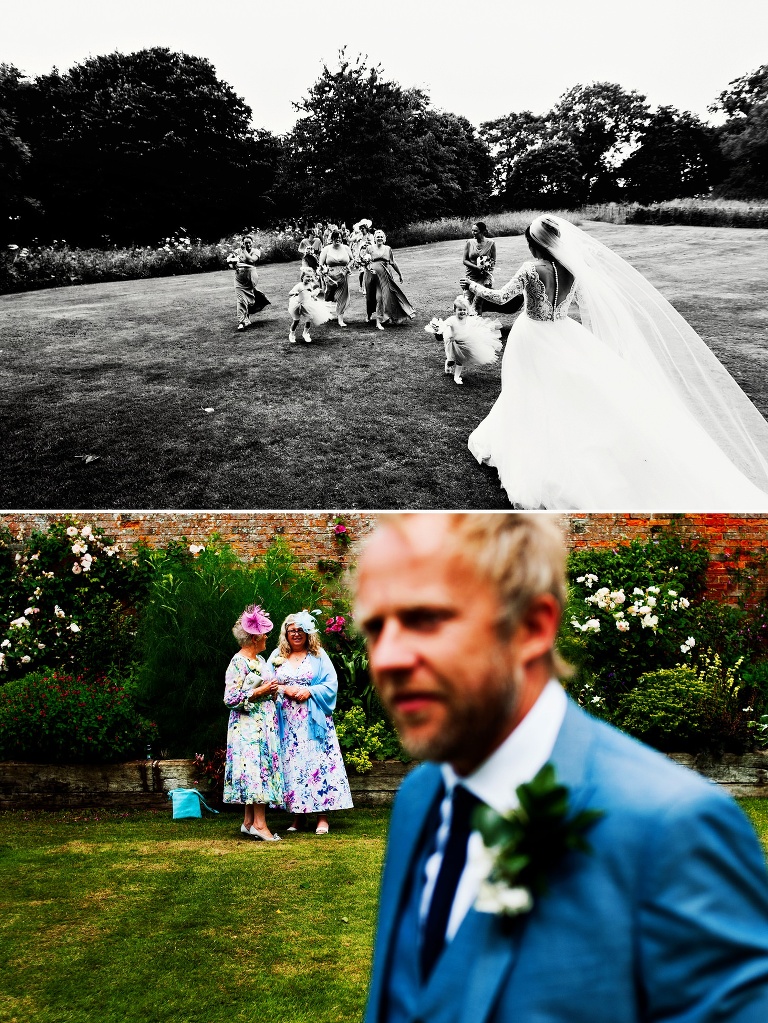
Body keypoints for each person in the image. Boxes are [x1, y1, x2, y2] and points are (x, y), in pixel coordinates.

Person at [355, 512, 768, 1023]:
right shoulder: (419, 797)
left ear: (532, 627)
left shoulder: (672, 827)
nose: (387, 658)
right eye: (375, 627)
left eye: (426, 618)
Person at [461, 214, 768, 510]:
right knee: (563, 394)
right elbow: (586, 302)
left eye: (530, 243)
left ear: (536, 244)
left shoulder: (531, 269)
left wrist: (472, 286)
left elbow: (501, 298)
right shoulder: (573, 269)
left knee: (527, 389)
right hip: (565, 333)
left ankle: (534, 450)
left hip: (533, 336)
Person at [268, 611, 353, 834]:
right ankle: (298, 815)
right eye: (292, 630)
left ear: (307, 633)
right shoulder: (277, 655)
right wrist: (284, 689)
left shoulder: (318, 655)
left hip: (313, 720)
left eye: (300, 630)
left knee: (317, 764)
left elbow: (331, 684)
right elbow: (267, 683)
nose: (296, 634)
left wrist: (310, 691)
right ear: (285, 633)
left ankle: (322, 817)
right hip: (287, 722)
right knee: (294, 766)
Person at [223, 604, 283, 841]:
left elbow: (265, 690)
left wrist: (272, 690)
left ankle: (248, 822)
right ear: (254, 638)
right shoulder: (238, 662)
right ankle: (260, 824)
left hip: (263, 724)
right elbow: (230, 699)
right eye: (264, 634)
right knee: (256, 770)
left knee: (259, 768)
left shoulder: (260, 659)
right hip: (248, 728)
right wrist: (260, 691)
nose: (267, 637)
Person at [425, 295, 502, 386]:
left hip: (465, 343)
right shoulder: (452, 320)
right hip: (453, 343)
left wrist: (486, 327)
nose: (462, 312)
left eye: (464, 310)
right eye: (460, 310)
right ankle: (448, 364)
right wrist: (439, 329)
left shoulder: (469, 320)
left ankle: (456, 377)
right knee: (451, 360)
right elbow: (445, 325)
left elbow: (477, 324)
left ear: (467, 311)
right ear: (455, 310)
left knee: (460, 361)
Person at [366, 229, 415, 331]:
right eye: (377, 236)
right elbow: (365, 263)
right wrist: (369, 268)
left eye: (381, 236)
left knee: (381, 297)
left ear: (384, 238)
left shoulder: (388, 249)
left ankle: (379, 321)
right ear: (374, 238)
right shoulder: (369, 248)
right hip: (372, 276)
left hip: (384, 277)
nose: (379, 238)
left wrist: (400, 274)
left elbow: (393, 262)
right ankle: (369, 314)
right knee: (370, 297)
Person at [233, 235, 270, 331]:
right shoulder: (237, 251)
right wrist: (232, 263)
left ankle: (246, 317)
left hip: (250, 278)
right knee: (241, 300)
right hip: (239, 279)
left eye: (249, 242)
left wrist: (244, 251)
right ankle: (241, 322)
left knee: (250, 300)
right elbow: (230, 261)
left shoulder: (256, 251)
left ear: (252, 243)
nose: (248, 244)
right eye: (245, 243)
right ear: (242, 243)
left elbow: (251, 260)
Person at [287, 269, 335, 343]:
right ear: (302, 277)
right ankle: (292, 334)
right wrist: (295, 292)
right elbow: (290, 293)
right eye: (307, 276)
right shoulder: (299, 285)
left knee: (308, 319)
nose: (309, 278)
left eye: (310, 277)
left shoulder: (311, 285)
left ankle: (305, 333)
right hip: (297, 305)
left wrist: (314, 296)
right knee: (296, 321)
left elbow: (311, 293)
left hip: (307, 304)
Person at [319, 229, 353, 326]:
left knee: (342, 297)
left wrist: (347, 267)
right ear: (332, 238)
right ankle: (326, 314)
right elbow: (321, 263)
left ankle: (340, 320)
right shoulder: (326, 249)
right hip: (330, 277)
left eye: (339, 238)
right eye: (335, 238)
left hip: (343, 276)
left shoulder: (346, 248)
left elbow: (352, 260)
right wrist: (323, 271)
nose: (337, 239)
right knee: (329, 296)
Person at [461, 222, 497, 315]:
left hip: (484, 277)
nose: (473, 233)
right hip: (471, 276)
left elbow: (493, 260)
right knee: (467, 302)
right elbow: (465, 260)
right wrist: (476, 268)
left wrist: (488, 270)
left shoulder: (491, 243)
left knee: (478, 303)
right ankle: (467, 322)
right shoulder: (469, 243)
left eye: (475, 231)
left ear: (482, 232)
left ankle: (477, 321)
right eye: (472, 230)